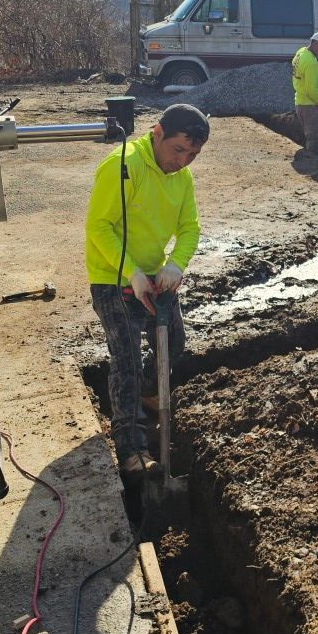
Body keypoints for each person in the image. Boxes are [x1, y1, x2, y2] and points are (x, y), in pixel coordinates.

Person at [85, 103, 209, 480]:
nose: (183, 161)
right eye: (178, 150)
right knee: (127, 360)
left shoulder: (181, 178)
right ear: (157, 133)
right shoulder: (123, 166)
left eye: (192, 155)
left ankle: (150, 394)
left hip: (155, 276)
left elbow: (189, 228)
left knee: (174, 343)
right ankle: (132, 447)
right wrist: (130, 274)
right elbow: (99, 226)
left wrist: (176, 264)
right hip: (113, 278)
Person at [292, 30, 318, 156]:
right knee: (315, 139)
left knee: (311, 136)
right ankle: (312, 165)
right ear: (316, 43)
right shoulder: (311, 62)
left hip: (300, 101)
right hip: (308, 105)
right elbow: (311, 90)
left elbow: (303, 71)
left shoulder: (301, 52)